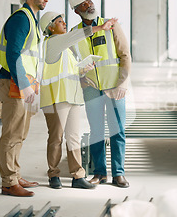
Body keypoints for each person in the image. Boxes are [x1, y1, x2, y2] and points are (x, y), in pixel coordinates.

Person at [39, 11, 118, 189]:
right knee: (56, 138)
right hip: (55, 97)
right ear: (50, 28)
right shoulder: (53, 42)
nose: (64, 24)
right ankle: (53, 175)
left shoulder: (65, 49)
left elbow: (68, 71)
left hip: (72, 96)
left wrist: (83, 69)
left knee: (73, 137)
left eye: (63, 21)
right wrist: (100, 27)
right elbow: (77, 35)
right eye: (59, 22)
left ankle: (77, 176)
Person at [68, 0, 132, 188]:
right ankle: (100, 173)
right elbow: (71, 64)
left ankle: (118, 173)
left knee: (117, 130)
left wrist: (123, 83)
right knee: (96, 131)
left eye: (89, 1)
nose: (89, 5)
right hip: (91, 88)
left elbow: (125, 55)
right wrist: (81, 78)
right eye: (84, 4)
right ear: (76, 10)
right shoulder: (74, 34)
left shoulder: (111, 26)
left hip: (114, 87)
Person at [0, 0, 49, 197]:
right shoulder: (21, 19)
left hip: (24, 83)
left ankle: (14, 175)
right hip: (15, 83)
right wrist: (25, 85)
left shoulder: (32, 21)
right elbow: (13, 54)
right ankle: (8, 183)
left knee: (20, 134)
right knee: (11, 134)